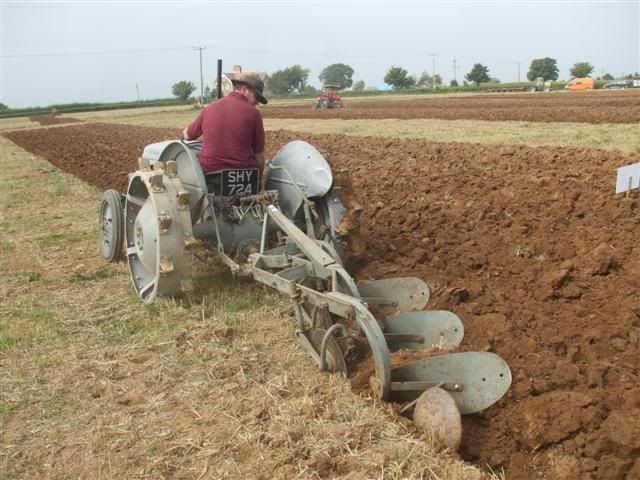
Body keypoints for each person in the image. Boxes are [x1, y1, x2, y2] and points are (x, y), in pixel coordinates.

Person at [182, 73, 268, 177]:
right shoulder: (254, 114)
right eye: (257, 97)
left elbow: (187, 135)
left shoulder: (210, 108)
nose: (257, 102)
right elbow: (259, 156)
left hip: (209, 174)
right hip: (243, 176)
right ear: (244, 89)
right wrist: (258, 181)